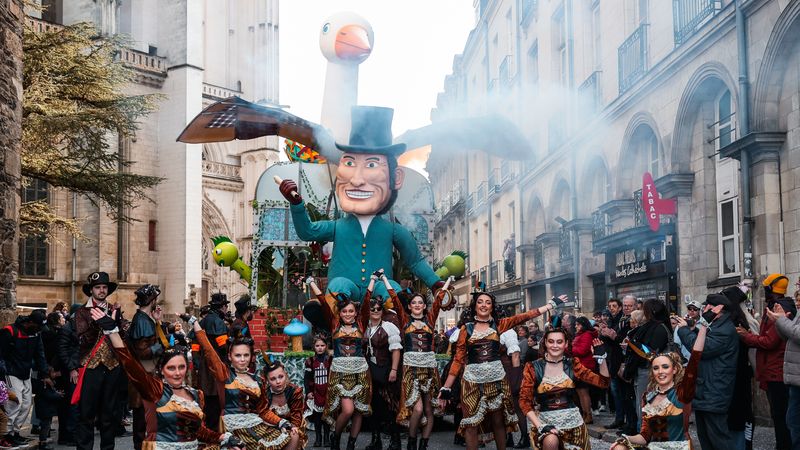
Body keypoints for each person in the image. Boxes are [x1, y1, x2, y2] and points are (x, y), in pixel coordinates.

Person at [278, 106, 447, 331]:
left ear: (395, 178)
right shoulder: (338, 226)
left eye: (371, 165)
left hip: (380, 289)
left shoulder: (392, 230)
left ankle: (402, 324)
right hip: (345, 292)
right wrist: (297, 204)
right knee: (338, 285)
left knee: (391, 290)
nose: (357, 180)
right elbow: (307, 231)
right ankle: (328, 315)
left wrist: (436, 284)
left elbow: (415, 261)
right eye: (349, 163)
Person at [89, 308, 241, 450]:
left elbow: (198, 431)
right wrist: (112, 332)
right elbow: (130, 364)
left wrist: (222, 436)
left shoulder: (196, 395)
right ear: (162, 370)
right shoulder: (155, 391)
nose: (177, 373)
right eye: (171, 368)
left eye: (181, 367)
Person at [437, 287, 566, 450]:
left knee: (498, 421)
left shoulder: (500, 325)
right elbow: (458, 359)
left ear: (492, 307)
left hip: (496, 380)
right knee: (470, 423)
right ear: (475, 306)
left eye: (488, 302)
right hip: (471, 382)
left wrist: (550, 305)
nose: (484, 305)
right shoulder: (466, 329)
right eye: (480, 302)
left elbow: (525, 316)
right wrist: (446, 387)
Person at [191, 314, 305, 450]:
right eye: (238, 355)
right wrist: (196, 324)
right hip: (234, 427)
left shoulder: (258, 380)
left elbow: (263, 411)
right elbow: (209, 352)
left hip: (257, 424)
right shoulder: (225, 375)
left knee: (294, 435)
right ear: (230, 356)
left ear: (251, 357)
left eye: (246, 355)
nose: (242, 359)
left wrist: (281, 422)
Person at [611, 312, 709, 450]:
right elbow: (644, 436)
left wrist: (703, 327)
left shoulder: (682, 391)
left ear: (674, 370)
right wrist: (626, 438)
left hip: (679, 448)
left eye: (665, 367)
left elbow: (694, 359)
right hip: (655, 447)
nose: (660, 371)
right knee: (619, 447)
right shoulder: (648, 396)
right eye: (656, 368)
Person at [305, 274, 372, 450]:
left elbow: (366, 302)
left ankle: (351, 443)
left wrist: (372, 281)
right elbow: (324, 304)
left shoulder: (361, 325)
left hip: (360, 373)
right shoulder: (334, 325)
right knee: (348, 410)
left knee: (359, 411)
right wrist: (312, 283)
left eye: (351, 311)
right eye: (344, 311)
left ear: (355, 312)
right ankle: (336, 436)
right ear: (339, 313)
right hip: (341, 374)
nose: (348, 314)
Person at [519, 328, 609, 450]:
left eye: (559, 342)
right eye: (551, 341)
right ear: (545, 342)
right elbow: (524, 402)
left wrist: (602, 358)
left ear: (566, 344)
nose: (555, 346)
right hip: (546, 424)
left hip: (574, 425)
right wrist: (541, 426)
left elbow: (603, 383)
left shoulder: (573, 364)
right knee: (551, 441)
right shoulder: (532, 367)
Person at [736, 274, 795, 450]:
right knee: (780, 415)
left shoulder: (779, 310)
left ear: (770, 290)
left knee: (780, 416)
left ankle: (784, 446)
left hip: (776, 374)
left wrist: (746, 336)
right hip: (774, 372)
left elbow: (769, 342)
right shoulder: (778, 307)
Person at [73, 271, 128, 450]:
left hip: (112, 366)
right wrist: (102, 322)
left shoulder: (114, 310)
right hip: (91, 366)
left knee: (109, 415)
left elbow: (122, 337)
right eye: (98, 287)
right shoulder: (82, 312)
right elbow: (82, 339)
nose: (102, 290)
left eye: (104, 287)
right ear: (91, 290)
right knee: (86, 414)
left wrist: (117, 322)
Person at [675, 294, 738, 450]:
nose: (704, 309)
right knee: (705, 438)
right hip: (706, 389)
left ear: (718, 309)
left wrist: (684, 331)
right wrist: (693, 329)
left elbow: (702, 349)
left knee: (718, 438)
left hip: (714, 390)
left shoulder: (724, 329)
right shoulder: (716, 325)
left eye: (707, 306)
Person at [393, 275, 448, 450]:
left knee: (429, 410)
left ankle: (423, 444)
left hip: (430, 370)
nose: (417, 305)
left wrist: (447, 284)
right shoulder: (405, 321)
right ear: (409, 307)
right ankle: (411, 441)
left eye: (420, 303)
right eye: (414, 303)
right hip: (411, 370)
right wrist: (385, 282)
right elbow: (394, 300)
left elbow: (439, 301)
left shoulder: (430, 321)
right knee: (417, 409)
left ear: (424, 306)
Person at [0, 309, 50, 447]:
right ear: (31, 322)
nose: (40, 329)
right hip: (11, 372)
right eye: (39, 326)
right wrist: (2, 375)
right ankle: (5, 435)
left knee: (27, 404)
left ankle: (15, 433)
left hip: (25, 371)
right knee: (15, 404)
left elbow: (40, 354)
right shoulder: (9, 331)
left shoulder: (36, 333)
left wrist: (45, 374)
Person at [363, 273, 402, 450]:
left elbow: (395, 350)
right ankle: (376, 440)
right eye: (373, 309)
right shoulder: (364, 327)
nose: (376, 311)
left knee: (390, 406)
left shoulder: (389, 327)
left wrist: (394, 370)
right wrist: (372, 281)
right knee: (374, 406)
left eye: (379, 309)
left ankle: (395, 440)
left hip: (385, 368)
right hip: (369, 369)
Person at [126, 284, 167, 450]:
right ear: (152, 300)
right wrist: (162, 347)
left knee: (148, 419)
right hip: (144, 375)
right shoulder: (141, 321)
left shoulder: (145, 319)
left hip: (148, 374)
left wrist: (157, 321)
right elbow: (143, 352)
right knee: (142, 420)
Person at [623, 299, 671, 430]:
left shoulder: (659, 328)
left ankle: (645, 435)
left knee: (645, 408)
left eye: (645, 309)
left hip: (649, 372)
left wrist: (634, 344)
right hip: (646, 371)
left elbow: (650, 352)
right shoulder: (654, 327)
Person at [721, 284, 758, 450]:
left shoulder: (739, 322)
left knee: (739, 414)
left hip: (737, 373)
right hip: (740, 372)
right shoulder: (741, 319)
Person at [769, 297, 800, 448]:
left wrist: (781, 320)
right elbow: (789, 336)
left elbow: (797, 334)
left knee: (795, 423)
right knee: (793, 422)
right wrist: (779, 322)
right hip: (795, 378)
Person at [198, 292, 230, 430]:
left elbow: (195, 343)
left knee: (207, 400)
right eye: (225, 307)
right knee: (215, 402)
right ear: (222, 307)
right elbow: (223, 347)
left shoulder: (203, 321)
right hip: (216, 365)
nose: (227, 310)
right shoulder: (218, 322)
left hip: (204, 365)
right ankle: (212, 434)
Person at [305, 334, 332, 448]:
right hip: (316, 392)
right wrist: (308, 392)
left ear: (326, 346)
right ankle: (318, 438)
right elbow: (307, 378)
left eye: (322, 345)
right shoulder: (310, 361)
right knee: (317, 417)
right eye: (317, 345)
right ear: (314, 347)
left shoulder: (330, 360)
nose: (320, 348)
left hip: (327, 391)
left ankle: (326, 437)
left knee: (326, 416)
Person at [572, 316, 598, 425]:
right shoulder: (580, 335)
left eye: (578, 324)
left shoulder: (586, 335)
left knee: (584, 392)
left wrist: (569, 348)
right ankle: (584, 413)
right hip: (579, 366)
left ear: (583, 325)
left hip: (585, 366)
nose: (576, 326)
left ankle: (588, 414)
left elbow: (583, 350)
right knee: (580, 392)